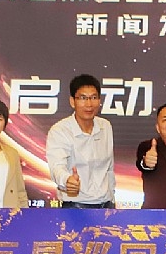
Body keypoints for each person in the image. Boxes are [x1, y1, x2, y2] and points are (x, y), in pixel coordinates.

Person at [46, 74, 115, 208]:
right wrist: (67, 180)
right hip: (75, 206)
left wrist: (112, 198)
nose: (89, 104)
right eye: (83, 98)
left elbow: (109, 168)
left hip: (106, 205)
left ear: (99, 100)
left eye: (93, 98)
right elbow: (57, 167)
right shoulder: (60, 130)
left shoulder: (105, 126)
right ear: (72, 101)